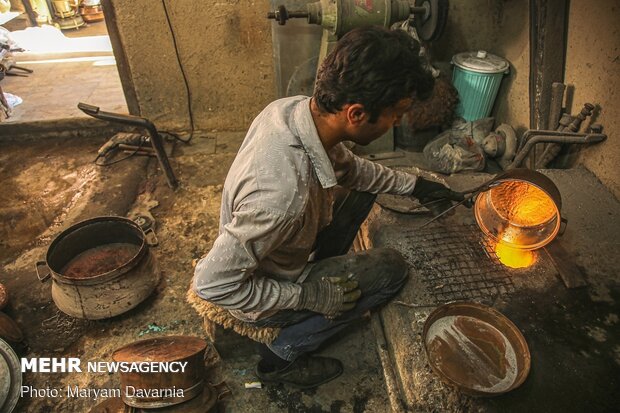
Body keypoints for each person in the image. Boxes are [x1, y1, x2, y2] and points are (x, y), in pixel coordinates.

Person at [193, 26, 463, 389]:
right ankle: (281, 357)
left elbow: (350, 168)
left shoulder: (291, 112)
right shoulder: (282, 199)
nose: (396, 123)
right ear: (355, 113)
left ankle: (311, 280)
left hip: (279, 250)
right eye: (394, 114)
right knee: (391, 270)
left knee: (360, 193)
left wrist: (416, 186)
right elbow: (212, 285)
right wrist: (309, 295)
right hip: (260, 293)